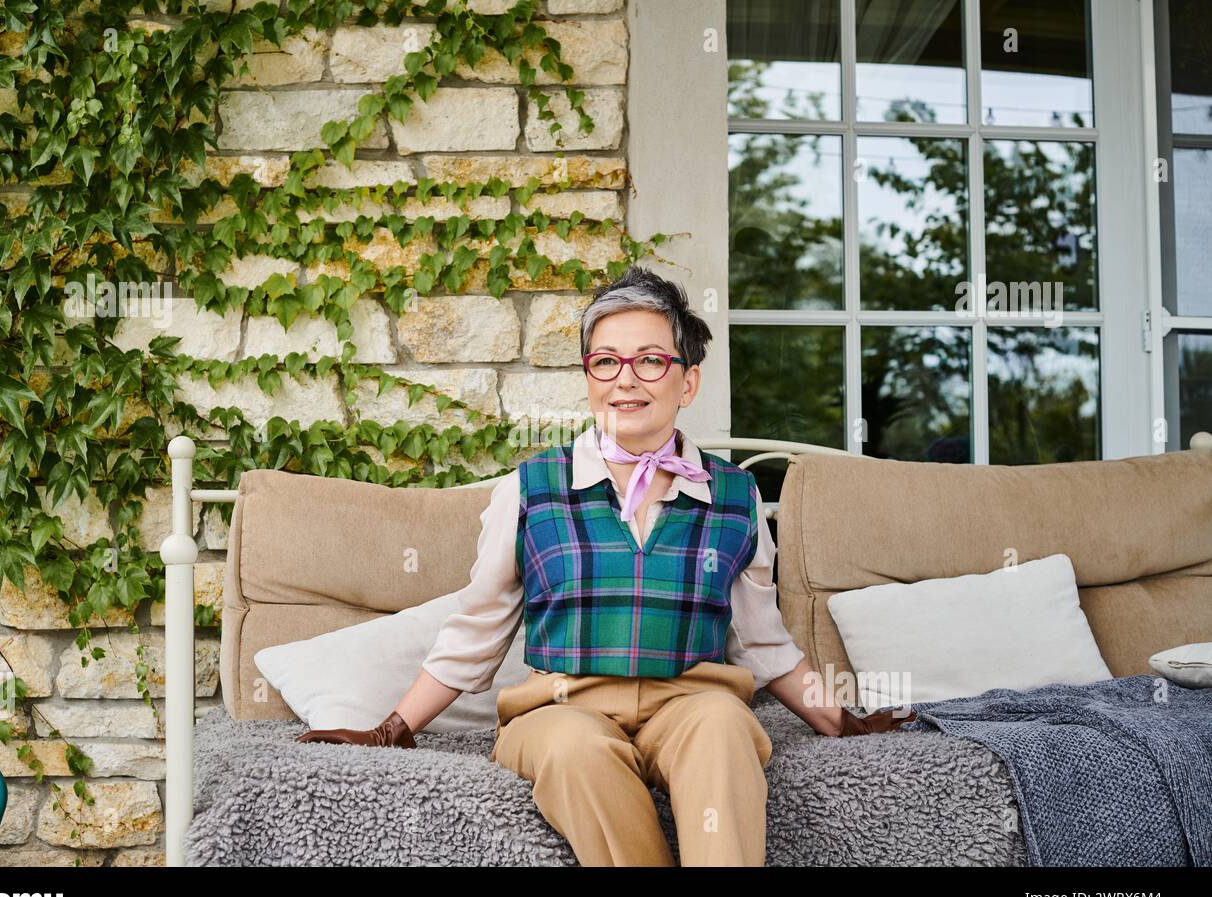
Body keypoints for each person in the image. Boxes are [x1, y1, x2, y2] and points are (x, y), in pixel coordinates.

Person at [297, 266, 915, 865]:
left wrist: (841, 721)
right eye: (606, 362)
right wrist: (391, 728)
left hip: (691, 704)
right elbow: (475, 632)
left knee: (724, 731)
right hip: (561, 710)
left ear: (687, 382)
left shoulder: (735, 497)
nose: (626, 381)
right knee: (572, 751)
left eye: (650, 360)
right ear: (589, 377)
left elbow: (761, 640)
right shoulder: (529, 489)